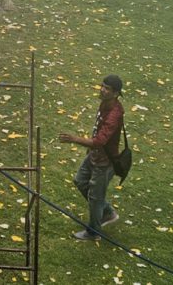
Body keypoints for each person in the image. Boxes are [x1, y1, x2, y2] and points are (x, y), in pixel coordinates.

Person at [59, 74, 125, 240]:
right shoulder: (105, 103)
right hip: (95, 155)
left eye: (107, 89)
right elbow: (97, 132)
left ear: (116, 93)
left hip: (105, 162)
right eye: (102, 86)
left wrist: (74, 139)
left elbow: (99, 141)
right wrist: (90, 148)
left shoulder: (114, 114)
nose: (102, 90)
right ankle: (107, 212)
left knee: (95, 198)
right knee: (80, 181)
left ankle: (93, 232)